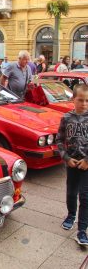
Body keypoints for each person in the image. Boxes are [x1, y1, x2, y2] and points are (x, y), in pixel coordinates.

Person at [56, 84, 88, 246]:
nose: (84, 104)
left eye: (87, 101)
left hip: (86, 165)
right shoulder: (66, 118)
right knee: (71, 193)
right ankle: (71, 215)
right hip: (72, 163)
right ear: (73, 99)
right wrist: (66, 158)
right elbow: (59, 141)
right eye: (80, 100)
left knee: (85, 196)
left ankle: (82, 230)